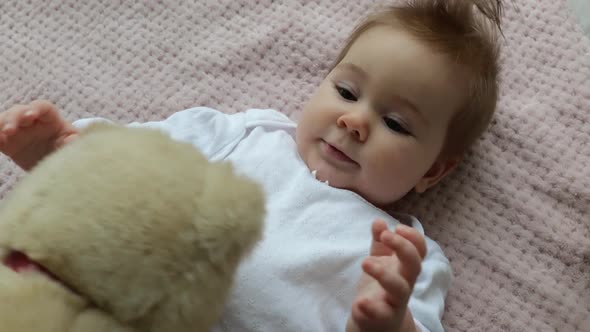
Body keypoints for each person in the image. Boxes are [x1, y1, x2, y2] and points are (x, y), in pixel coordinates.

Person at [0, 0, 503, 331]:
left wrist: (391, 323)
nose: (354, 121)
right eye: (346, 91)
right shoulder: (249, 135)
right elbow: (141, 161)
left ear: (433, 171)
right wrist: (69, 147)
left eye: (395, 123)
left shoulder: (404, 256)